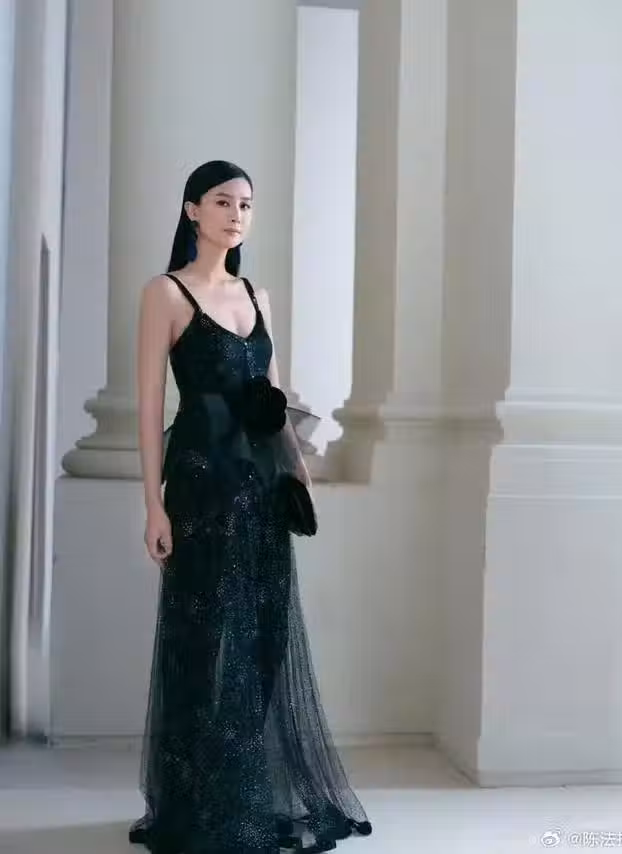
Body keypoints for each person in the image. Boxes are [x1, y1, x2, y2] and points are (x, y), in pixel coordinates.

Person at [129, 160, 372, 854]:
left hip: (260, 490)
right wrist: (153, 506)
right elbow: (150, 407)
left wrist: (299, 471)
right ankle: (198, 801)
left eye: (246, 205)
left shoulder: (256, 294)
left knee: (261, 636)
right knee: (203, 640)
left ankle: (247, 795)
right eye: (222, 202)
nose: (236, 215)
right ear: (191, 210)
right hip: (201, 487)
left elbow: (272, 398)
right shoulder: (166, 293)